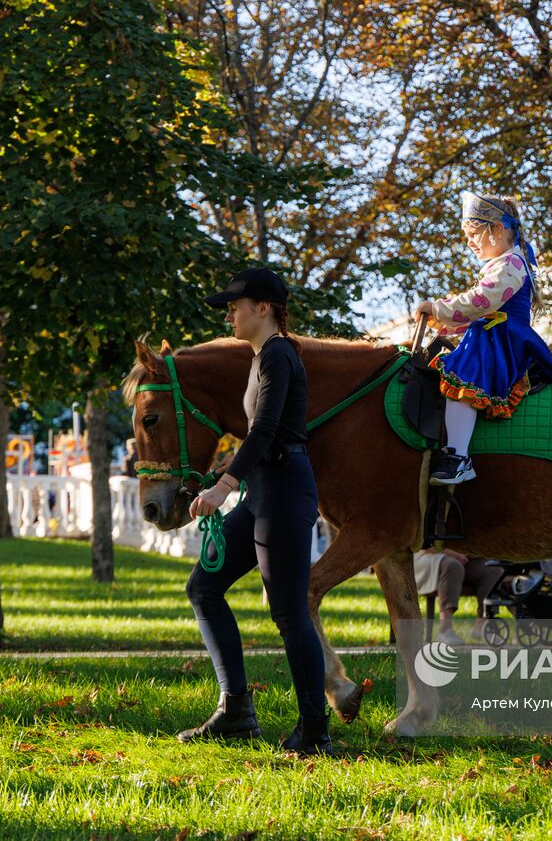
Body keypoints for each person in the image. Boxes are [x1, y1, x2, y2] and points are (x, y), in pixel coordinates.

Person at [176, 268, 330, 755]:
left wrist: (224, 485)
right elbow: (260, 436)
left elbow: (264, 432)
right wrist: (226, 471)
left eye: (235, 306)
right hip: (266, 490)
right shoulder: (262, 356)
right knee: (204, 587)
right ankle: (236, 710)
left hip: (283, 491)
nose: (229, 314)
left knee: (289, 614)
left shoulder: (278, 354)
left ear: (262, 308)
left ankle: (314, 731)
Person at [417, 192, 552, 485]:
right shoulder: (505, 264)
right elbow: (480, 311)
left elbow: (482, 301)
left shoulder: (511, 263)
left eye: (474, 233)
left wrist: (439, 308)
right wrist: (444, 324)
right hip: (492, 333)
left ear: (497, 229)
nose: (469, 242)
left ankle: (459, 457)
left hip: (502, 340)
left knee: (461, 376)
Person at [414, 547, 503, 644]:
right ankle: (445, 629)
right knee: (453, 566)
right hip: (425, 556)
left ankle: (482, 625)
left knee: (493, 570)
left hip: (461, 555)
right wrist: (454, 554)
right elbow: (426, 547)